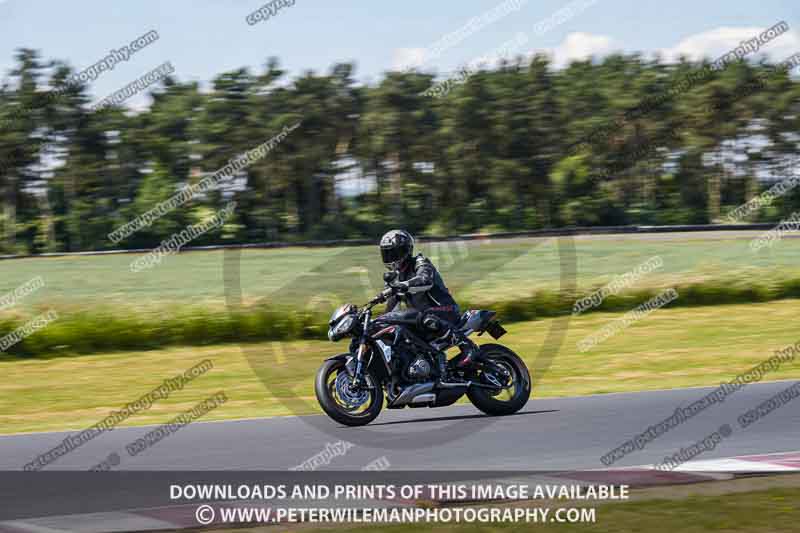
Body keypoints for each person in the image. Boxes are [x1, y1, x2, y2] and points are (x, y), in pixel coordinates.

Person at [378, 229, 480, 370]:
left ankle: (467, 346)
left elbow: (425, 280)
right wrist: (380, 320)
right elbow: (390, 307)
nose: (390, 258)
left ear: (406, 251)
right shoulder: (396, 276)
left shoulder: (420, 262)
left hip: (445, 310)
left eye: (393, 253)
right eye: (387, 254)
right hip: (420, 317)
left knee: (424, 317)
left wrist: (404, 285)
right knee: (396, 329)